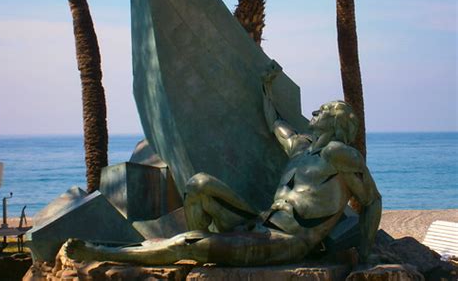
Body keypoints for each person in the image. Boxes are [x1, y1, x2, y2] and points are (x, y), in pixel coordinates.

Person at [64, 61, 382, 266]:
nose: (314, 113)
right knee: (199, 184)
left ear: (339, 122)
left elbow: (372, 200)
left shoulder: (340, 154)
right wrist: (265, 87)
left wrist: (366, 256)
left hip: (287, 242)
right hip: (259, 223)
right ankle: (204, 249)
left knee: (189, 242)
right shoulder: (301, 148)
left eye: (323, 110)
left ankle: (103, 253)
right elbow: (275, 123)